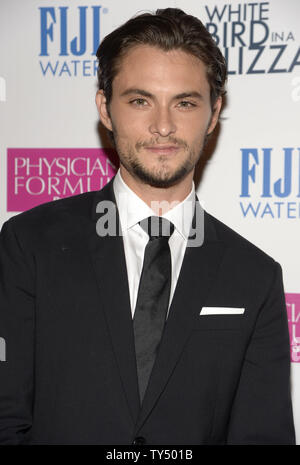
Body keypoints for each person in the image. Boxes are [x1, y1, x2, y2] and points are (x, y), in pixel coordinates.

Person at [0, 8, 295, 445]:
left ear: (213, 114)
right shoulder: (29, 245)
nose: (163, 126)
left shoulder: (255, 276)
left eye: (185, 102)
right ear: (105, 107)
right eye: (140, 100)